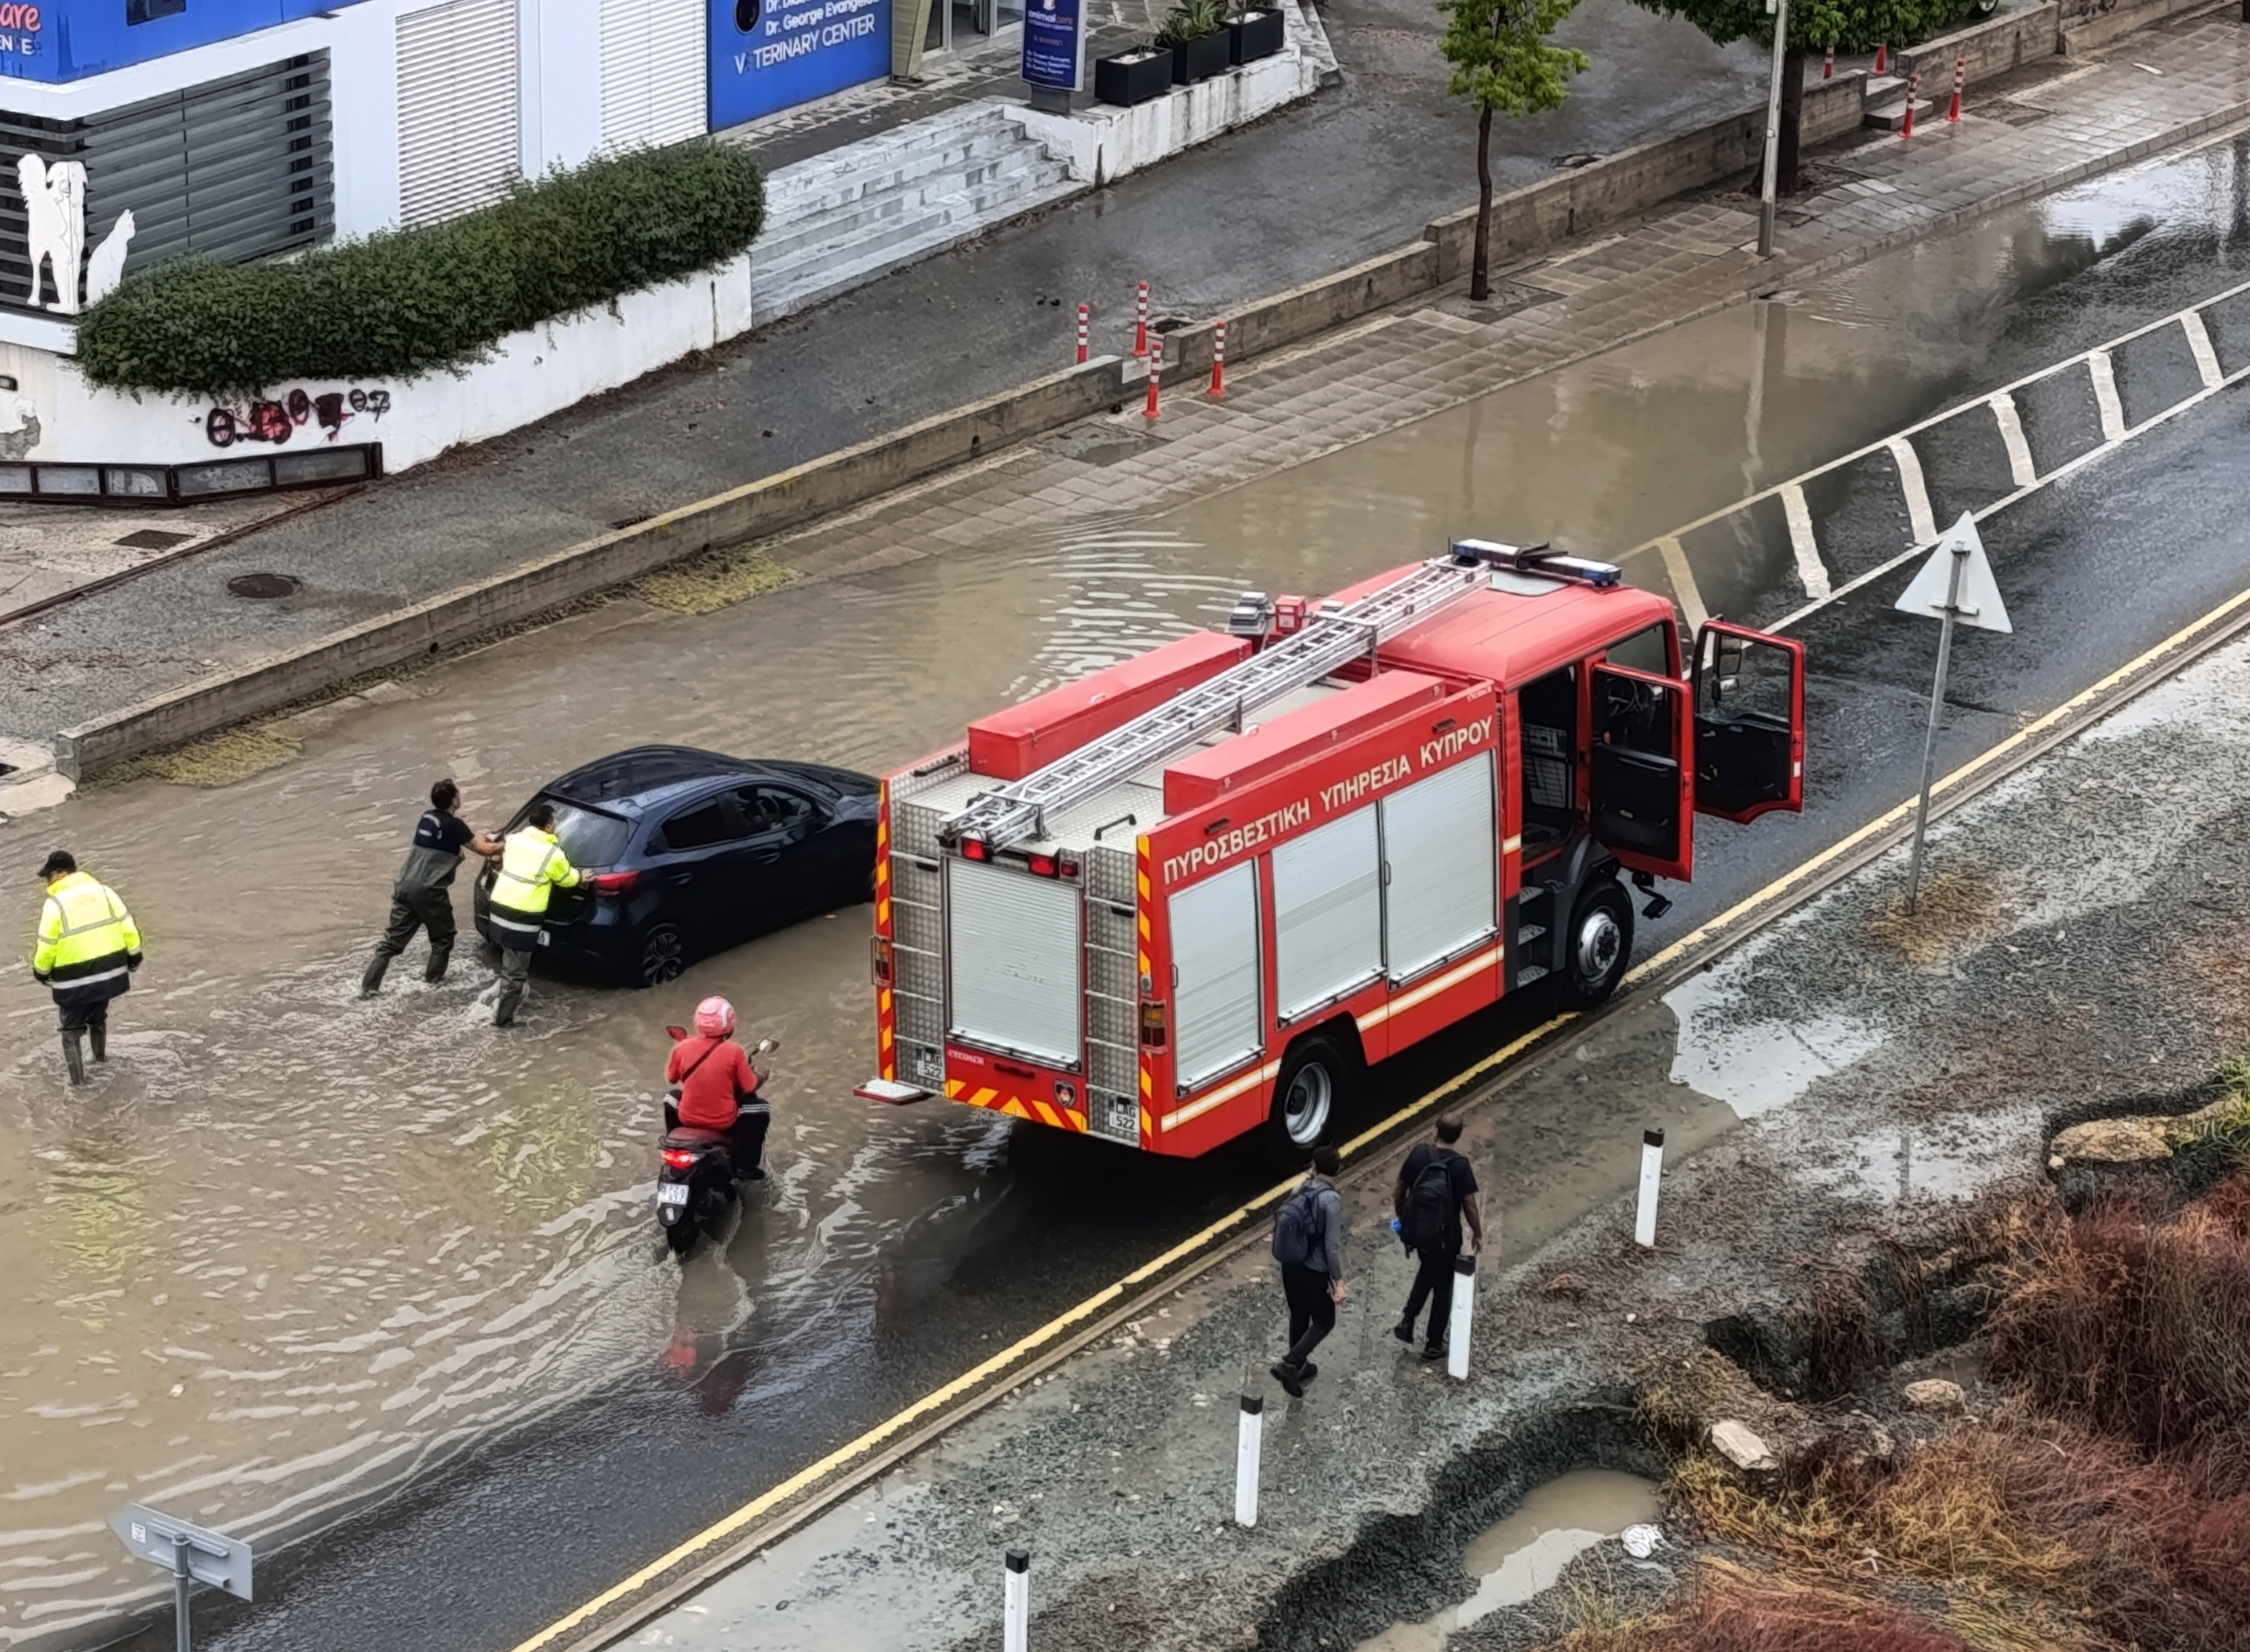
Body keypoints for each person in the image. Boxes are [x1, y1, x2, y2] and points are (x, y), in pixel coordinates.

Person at [360, 779, 500, 996]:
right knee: (443, 939)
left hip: (405, 885)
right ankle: (433, 985)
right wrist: (506, 843)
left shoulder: (426, 818)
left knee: (390, 944)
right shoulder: (456, 826)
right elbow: (485, 850)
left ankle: (368, 989)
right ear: (455, 800)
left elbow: (446, 838)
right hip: (429, 891)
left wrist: (481, 839)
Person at [31, 850, 142, 1085]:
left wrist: (41, 972)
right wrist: (134, 957)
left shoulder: (55, 904)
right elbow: (128, 926)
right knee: (98, 1017)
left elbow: (47, 946)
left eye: (49, 876)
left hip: (74, 982)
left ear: (60, 874)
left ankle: (78, 1085)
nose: (47, 882)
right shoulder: (105, 892)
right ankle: (101, 1061)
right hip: (110, 975)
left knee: (70, 1031)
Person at [1392, 1114, 1485, 1361]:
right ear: (1458, 1136)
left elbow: (1400, 1189)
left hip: (1420, 1234)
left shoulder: (1420, 1154)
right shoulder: (1461, 1165)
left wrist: (1402, 1219)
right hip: (1446, 1237)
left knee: (1428, 1271)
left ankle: (1408, 1322)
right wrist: (1478, 1233)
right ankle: (1433, 1343)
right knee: (1443, 1288)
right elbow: (1470, 1206)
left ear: (1436, 1131)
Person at [486, 802, 582, 1028]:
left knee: (510, 962)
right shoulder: (553, 854)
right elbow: (567, 879)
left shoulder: (513, 839)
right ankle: (503, 1022)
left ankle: (502, 1004)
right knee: (516, 974)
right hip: (521, 917)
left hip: (498, 910)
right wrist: (582, 877)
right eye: (555, 822)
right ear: (549, 827)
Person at [1269, 1144, 1347, 1399]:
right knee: (1325, 1320)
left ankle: (1299, 1370)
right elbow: (1332, 1246)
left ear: (1314, 1167)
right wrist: (1338, 1280)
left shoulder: (1299, 1188)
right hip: (1314, 1270)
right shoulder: (1331, 1201)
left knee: (1299, 1315)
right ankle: (1291, 1363)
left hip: (1290, 1265)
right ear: (1338, 1170)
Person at [665, 996, 770, 1181]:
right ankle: (746, 1166)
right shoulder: (734, 1052)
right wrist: (761, 1075)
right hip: (722, 1121)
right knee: (761, 1108)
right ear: (729, 1022)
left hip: (687, 1118)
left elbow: (672, 1078)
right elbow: (749, 1086)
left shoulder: (682, 1048)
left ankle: (674, 1144)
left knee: (671, 1097)